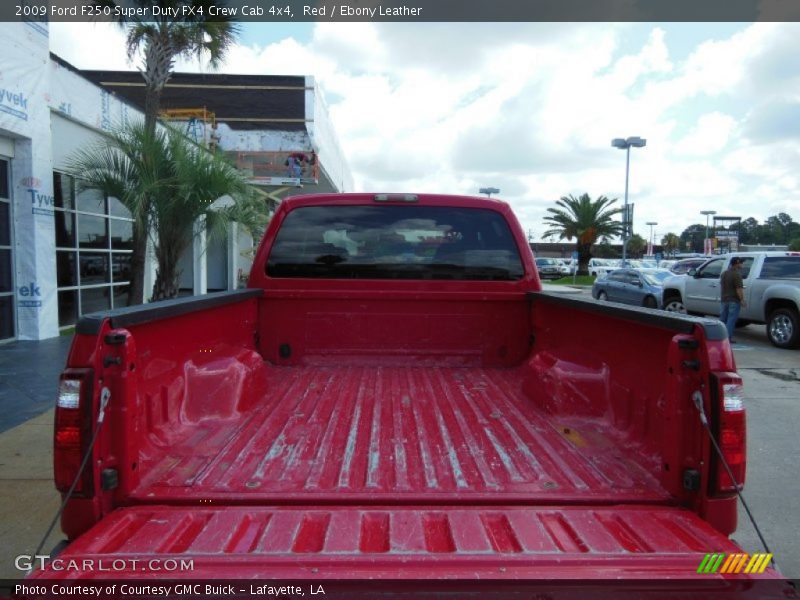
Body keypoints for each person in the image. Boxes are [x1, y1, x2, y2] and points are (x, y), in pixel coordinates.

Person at [719, 257, 747, 342]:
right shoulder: (737, 274)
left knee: (723, 319)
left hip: (724, 300)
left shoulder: (724, 273)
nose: (742, 264)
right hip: (734, 300)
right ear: (737, 263)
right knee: (731, 320)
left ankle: (720, 336)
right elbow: (739, 289)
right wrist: (742, 300)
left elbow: (722, 286)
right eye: (741, 263)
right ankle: (727, 338)